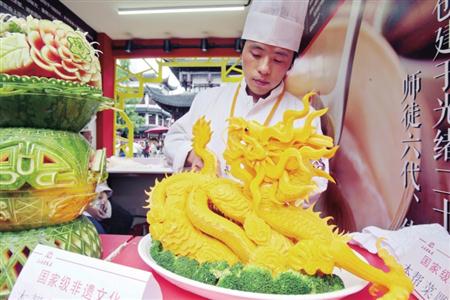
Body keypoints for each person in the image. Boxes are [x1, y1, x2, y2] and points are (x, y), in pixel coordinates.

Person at [164, 0, 329, 198]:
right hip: (204, 213)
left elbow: (316, 182)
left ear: (290, 64)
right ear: (241, 51)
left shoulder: (304, 116)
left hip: (265, 220)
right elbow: (173, 138)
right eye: (256, 53)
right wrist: (191, 154)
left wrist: (272, 191)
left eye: (278, 59)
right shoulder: (208, 99)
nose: (264, 68)